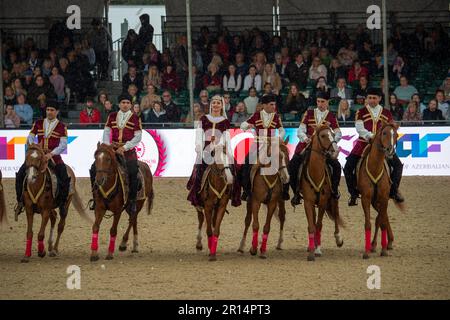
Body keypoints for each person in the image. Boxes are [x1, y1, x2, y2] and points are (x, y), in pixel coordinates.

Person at [343, 88, 404, 206]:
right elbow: (359, 129)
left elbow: (391, 128)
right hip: (363, 144)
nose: (372, 100)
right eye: (369, 98)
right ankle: (354, 194)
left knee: (397, 165)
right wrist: (372, 136)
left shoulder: (387, 113)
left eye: (374, 98)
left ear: (380, 99)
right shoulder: (360, 112)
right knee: (348, 167)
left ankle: (393, 191)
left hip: (383, 146)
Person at [15, 100, 70, 218]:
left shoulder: (62, 127)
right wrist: (34, 147)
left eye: (52, 110)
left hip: (53, 156)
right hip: (37, 156)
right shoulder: (38, 123)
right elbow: (30, 137)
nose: (49, 112)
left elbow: (63, 144)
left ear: (57, 112)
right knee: (20, 175)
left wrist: (51, 154)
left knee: (64, 178)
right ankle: (20, 202)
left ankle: (62, 204)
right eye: (48, 110)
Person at [88, 94, 142, 215]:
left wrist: (124, 147)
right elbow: (107, 132)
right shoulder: (112, 116)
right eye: (123, 102)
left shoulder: (135, 118)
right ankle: (95, 198)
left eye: (128, 102)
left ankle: (132, 201)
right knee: (93, 169)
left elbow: (138, 137)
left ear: (131, 105)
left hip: (128, 152)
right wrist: (108, 146)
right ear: (119, 104)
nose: (125, 104)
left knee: (133, 172)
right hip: (112, 149)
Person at [288, 91, 342, 206]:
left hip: (324, 148)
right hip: (306, 146)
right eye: (318, 101)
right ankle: (296, 193)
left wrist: (332, 142)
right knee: (292, 166)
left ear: (327, 102)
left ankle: (334, 191)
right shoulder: (309, 113)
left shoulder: (331, 116)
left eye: (322, 102)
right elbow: (300, 130)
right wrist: (304, 138)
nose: (320, 104)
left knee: (336, 166)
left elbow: (338, 133)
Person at [186, 95, 241, 209]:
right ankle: (197, 196)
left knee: (235, 168)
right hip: (206, 149)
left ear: (222, 106)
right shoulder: (204, 119)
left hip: (220, 149)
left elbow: (226, 137)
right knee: (199, 170)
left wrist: (221, 147)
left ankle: (232, 195)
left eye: (218, 103)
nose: (216, 105)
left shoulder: (225, 121)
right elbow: (199, 134)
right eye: (214, 103)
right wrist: (199, 147)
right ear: (211, 105)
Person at [239, 94, 289, 201]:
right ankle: (247, 191)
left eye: (274, 104)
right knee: (246, 164)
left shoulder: (276, 117)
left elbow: (282, 130)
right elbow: (242, 124)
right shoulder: (256, 115)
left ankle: (284, 190)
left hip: (272, 144)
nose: (273, 107)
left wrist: (279, 137)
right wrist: (247, 125)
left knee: (284, 161)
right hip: (258, 144)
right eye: (271, 105)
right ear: (264, 105)